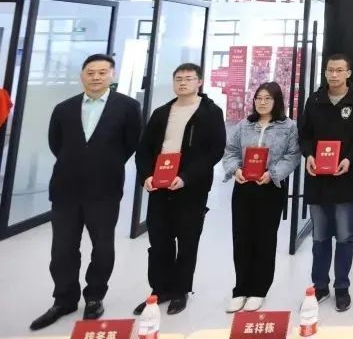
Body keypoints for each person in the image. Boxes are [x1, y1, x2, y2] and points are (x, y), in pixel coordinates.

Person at [30, 55, 142, 331]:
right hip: (65, 190)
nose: (96, 77)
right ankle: (64, 299)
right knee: (62, 249)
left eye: (102, 72)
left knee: (102, 247)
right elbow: (56, 144)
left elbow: (131, 143)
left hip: (105, 190)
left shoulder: (128, 107)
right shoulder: (64, 108)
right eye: (90, 72)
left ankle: (94, 297)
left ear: (112, 75)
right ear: (82, 75)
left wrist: (103, 163)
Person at [134, 63, 226, 316]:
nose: (183, 83)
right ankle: (159, 289)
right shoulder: (162, 112)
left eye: (188, 78)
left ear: (199, 82)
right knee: (159, 241)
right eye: (178, 79)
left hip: (191, 188)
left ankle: (180, 291)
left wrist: (186, 177)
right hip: (159, 186)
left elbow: (215, 151)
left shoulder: (210, 112)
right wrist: (146, 177)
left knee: (187, 241)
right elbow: (143, 149)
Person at [298, 54, 353, 312]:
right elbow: (304, 135)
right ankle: (320, 286)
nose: (334, 75)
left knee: (344, 236)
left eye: (340, 70)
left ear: (348, 73)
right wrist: (308, 155)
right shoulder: (315, 100)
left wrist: (350, 159)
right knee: (319, 237)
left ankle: (342, 287)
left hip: (345, 177)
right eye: (330, 70)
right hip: (317, 178)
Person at [221, 82, 301, 312]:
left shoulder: (288, 127)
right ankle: (240, 289)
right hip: (244, 186)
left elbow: (293, 156)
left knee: (265, 239)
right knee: (242, 238)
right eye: (258, 98)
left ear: (277, 102)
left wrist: (273, 174)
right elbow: (230, 151)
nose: (262, 102)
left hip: (270, 187)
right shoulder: (244, 125)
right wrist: (235, 169)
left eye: (267, 98)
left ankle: (259, 290)